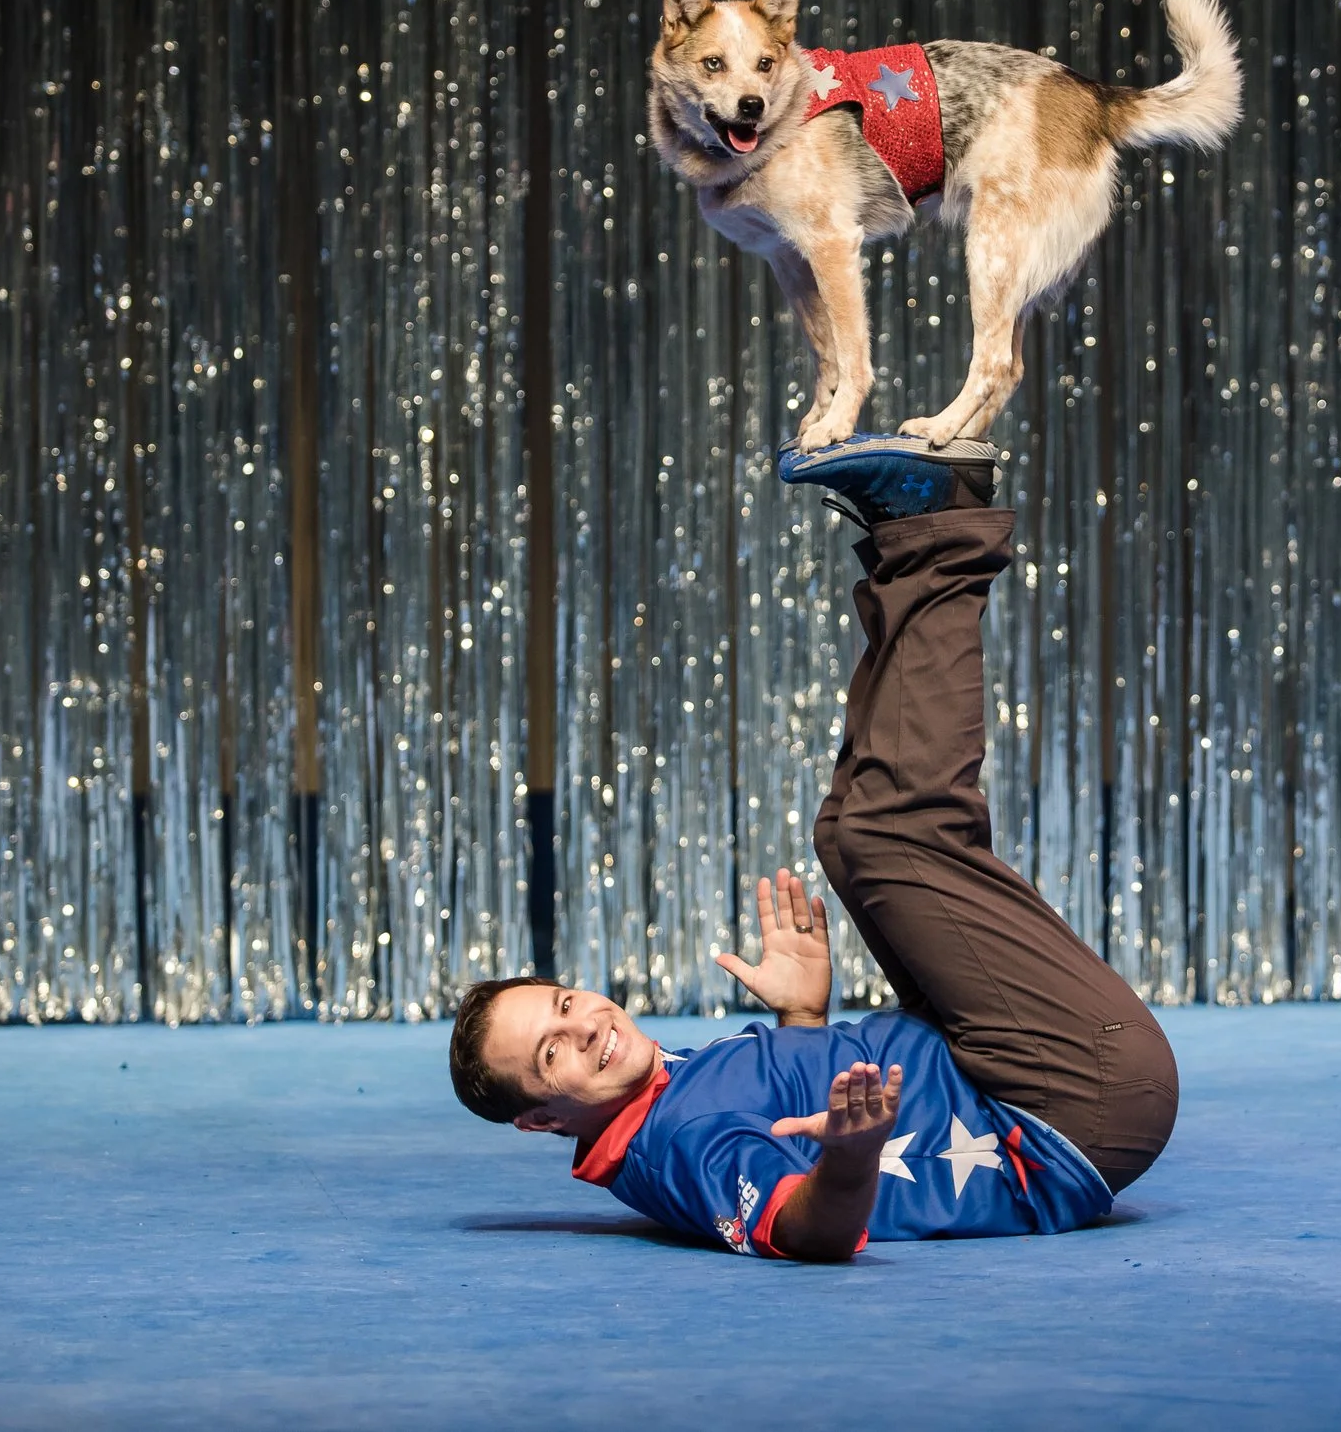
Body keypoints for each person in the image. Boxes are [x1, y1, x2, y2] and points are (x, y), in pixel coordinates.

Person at [447, 435, 1179, 1260]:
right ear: (543, 1118)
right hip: (1067, 1105)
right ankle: (941, 530)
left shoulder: (662, 1085)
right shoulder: (676, 1145)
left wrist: (803, 1018)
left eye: (565, 1003)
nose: (584, 1026)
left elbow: (790, 1108)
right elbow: (805, 1231)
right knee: (889, 836)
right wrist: (853, 1151)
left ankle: (916, 537)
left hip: (1006, 1071)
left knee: (845, 833)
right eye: (551, 1051)